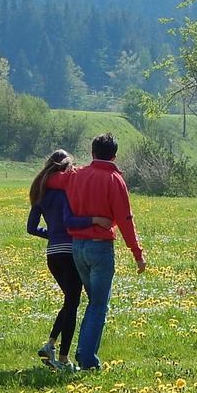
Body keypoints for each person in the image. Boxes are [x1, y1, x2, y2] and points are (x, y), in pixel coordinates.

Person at [46, 133, 146, 370]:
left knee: (93, 302)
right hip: (100, 248)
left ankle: (81, 351)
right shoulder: (115, 180)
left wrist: (65, 167)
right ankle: (87, 358)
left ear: (92, 153)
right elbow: (125, 220)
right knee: (99, 304)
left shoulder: (76, 175)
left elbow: (51, 180)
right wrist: (137, 254)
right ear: (115, 155)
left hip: (77, 247)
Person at [26, 150, 110, 372]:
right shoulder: (64, 193)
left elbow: (31, 228)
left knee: (70, 300)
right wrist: (95, 220)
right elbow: (69, 220)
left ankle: (51, 345)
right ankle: (62, 358)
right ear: (66, 169)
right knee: (72, 304)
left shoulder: (40, 193)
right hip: (69, 252)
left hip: (52, 254)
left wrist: (52, 233)